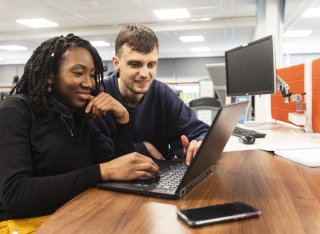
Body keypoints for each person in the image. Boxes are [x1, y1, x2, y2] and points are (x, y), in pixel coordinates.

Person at [0, 34, 159, 230]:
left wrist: (123, 119)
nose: (89, 83)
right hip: (26, 226)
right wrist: (100, 172)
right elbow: (15, 195)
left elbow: (122, 169)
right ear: (50, 75)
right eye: (78, 73)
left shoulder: (79, 118)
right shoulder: (15, 110)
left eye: (92, 74)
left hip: (76, 218)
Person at [94, 24, 209, 166]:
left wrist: (199, 143)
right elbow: (99, 154)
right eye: (135, 64)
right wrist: (144, 148)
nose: (144, 74)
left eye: (151, 65)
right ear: (117, 63)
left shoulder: (162, 93)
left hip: (158, 176)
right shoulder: (99, 96)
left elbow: (200, 132)